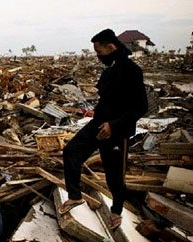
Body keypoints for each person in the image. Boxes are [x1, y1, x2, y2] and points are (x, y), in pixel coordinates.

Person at [59, 29, 148, 229]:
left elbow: (140, 107)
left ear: (111, 47)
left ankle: (116, 211)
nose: (98, 56)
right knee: (71, 152)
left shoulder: (132, 70)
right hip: (98, 124)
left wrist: (114, 125)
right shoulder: (111, 68)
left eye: (99, 52)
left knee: (114, 175)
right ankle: (75, 196)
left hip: (117, 131)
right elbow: (108, 99)